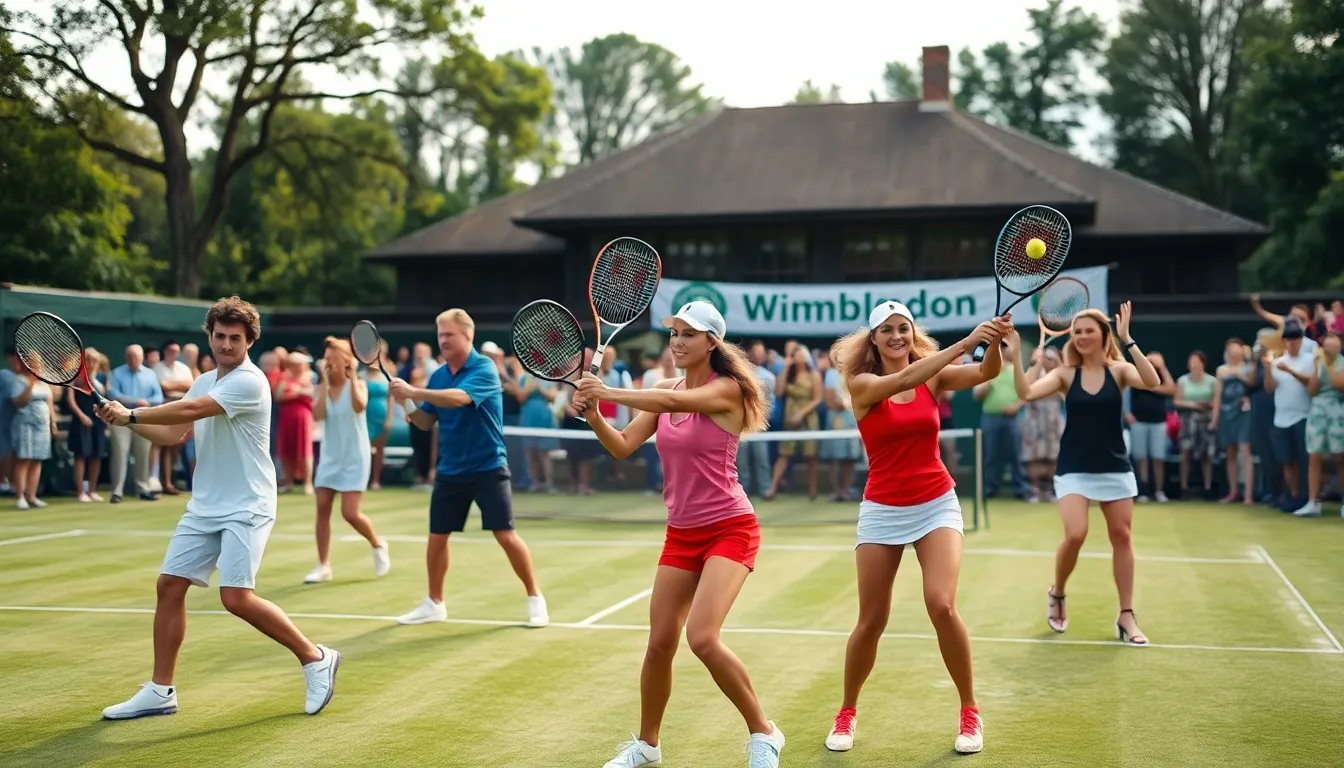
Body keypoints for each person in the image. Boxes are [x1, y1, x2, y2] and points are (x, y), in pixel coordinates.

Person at [95, 296, 340, 720]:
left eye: (235, 338)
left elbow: (191, 410)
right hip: (205, 504)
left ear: (249, 342)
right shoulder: (205, 379)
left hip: (248, 504)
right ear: (210, 337)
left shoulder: (250, 381)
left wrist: (131, 414)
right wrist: (126, 422)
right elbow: (175, 434)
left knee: (236, 598)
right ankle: (160, 690)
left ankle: (315, 656)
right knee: (169, 586)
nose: (226, 344)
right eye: (220, 336)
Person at [572, 300, 786, 768]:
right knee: (659, 643)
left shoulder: (726, 389)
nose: (677, 342)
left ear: (712, 341)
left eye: (688, 334)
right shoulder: (665, 387)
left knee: (703, 638)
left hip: (731, 528)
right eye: (673, 334)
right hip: (682, 533)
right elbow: (624, 446)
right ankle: (648, 745)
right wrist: (594, 414)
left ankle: (764, 732)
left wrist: (607, 389)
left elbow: (672, 402)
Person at [821, 302, 1009, 756]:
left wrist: (995, 342)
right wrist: (965, 341)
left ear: (912, 333)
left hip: (936, 504)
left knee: (940, 603)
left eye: (903, 328)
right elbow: (903, 380)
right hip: (882, 508)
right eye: (886, 330)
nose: (896, 336)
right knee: (871, 621)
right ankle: (846, 711)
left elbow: (986, 373)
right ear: (874, 339)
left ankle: (969, 711)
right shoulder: (862, 384)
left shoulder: (936, 375)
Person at [1005, 302, 1160, 646]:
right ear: (1071, 338)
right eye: (1077, 331)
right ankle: (1058, 592)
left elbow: (1153, 380)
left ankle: (1126, 615)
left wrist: (1128, 339)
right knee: (1075, 534)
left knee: (1121, 536)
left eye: (1090, 330)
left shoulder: (1118, 370)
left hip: (1114, 466)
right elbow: (1025, 393)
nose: (1082, 336)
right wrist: (1018, 357)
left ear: (1104, 335)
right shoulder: (1064, 375)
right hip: (1074, 467)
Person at [388, 308, 548, 628]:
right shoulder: (439, 375)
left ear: (467, 336)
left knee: (505, 534)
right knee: (437, 538)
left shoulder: (485, 368)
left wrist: (414, 391)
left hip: (488, 466)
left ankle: (535, 599)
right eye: (440, 335)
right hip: (450, 470)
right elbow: (424, 421)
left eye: (449, 335)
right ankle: (434, 602)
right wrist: (404, 401)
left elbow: (459, 399)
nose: (443, 340)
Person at [304, 337, 391, 583]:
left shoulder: (359, 384)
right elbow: (318, 414)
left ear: (346, 362)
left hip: (355, 456)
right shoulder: (322, 387)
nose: (329, 364)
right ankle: (323, 566)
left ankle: (377, 544)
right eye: (326, 360)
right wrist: (322, 382)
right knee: (322, 509)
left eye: (334, 360)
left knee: (350, 514)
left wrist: (352, 379)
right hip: (331, 456)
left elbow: (359, 406)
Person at [1293, 332, 1344, 517]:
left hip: (1338, 409)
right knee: (1314, 456)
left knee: (1340, 457)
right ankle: (1313, 502)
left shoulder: (1342, 362)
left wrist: (1328, 365)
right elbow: (1312, 390)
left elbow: (1339, 384)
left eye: (1334, 346)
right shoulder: (1318, 362)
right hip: (1317, 410)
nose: (1330, 349)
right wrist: (1316, 367)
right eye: (1327, 346)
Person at [1215, 339, 1257, 504]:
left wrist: (1241, 371)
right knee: (1230, 452)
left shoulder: (1248, 367)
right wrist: (1215, 417)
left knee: (1245, 451)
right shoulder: (1221, 370)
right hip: (1226, 413)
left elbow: (1252, 382)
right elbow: (1218, 395)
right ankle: (1233, 492)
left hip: (1243, 413)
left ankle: (1248, 494)